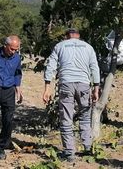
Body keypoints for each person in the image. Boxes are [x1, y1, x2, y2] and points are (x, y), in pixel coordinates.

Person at [42, 28, 100, 162]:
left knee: (66, 118)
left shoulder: (60, 46)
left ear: (66, 36)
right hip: (84, 85)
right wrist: (96, 89)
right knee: (85, 116)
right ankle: (87, 148)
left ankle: (69, 152)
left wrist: (47, 88)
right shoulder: (88, 47)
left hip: (66, 84)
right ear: (78, 36)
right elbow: (94, 67)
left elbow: (50, 66)